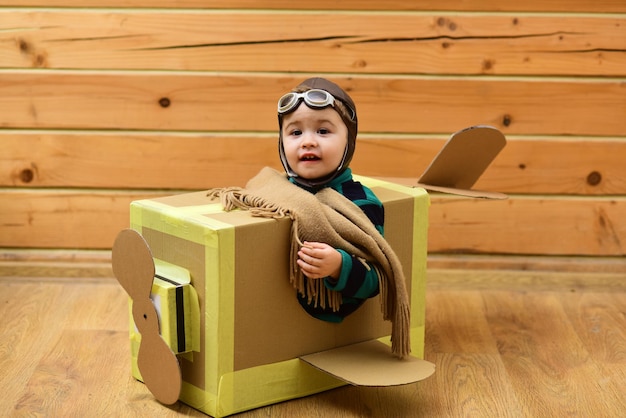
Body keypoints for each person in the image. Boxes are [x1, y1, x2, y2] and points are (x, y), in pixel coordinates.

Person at [277, 77, 384, 323]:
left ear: (349, 141)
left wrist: (339, 266)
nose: (308, 141)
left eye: (323, 131)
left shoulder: (361, 203)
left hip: (328, 326)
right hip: (277, 319)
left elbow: (377, 280)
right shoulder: (275, 193)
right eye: (295, 132)